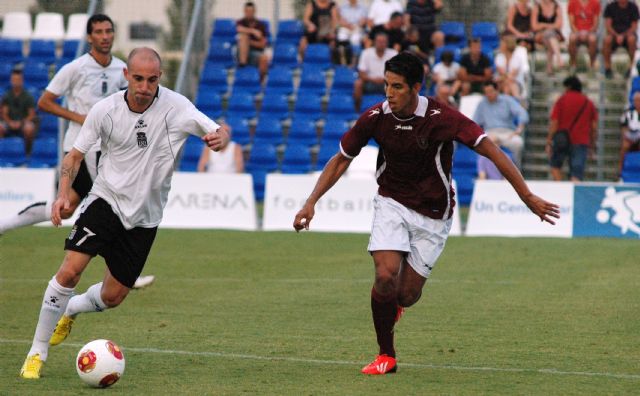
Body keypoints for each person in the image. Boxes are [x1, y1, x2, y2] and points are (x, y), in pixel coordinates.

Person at [292, 52, 559, 375]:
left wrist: (527, 196)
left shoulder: (442, 117)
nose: (389, 93)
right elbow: (341, 158)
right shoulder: (376, 116)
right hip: (391, 201)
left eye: (398, 87)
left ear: (416, 87)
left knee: (406, 294)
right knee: (385, 274)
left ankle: (397, 305)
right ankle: (386, 355)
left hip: (434, 212)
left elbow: (492, 150)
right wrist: (311, 202)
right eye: (387, 85)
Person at [19, 47, 230, 380]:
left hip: (145, 218)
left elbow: (218, 129)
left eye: (152, 80)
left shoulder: (176, 107)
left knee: (113, 296)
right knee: (70, 271)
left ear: (159, 78)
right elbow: (74, 157)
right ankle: (36, 352)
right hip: (106, 201)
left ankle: (71, 309)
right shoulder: (105, 110)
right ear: (126, 76)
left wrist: (221, 138)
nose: (145, 87)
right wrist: (62, 195)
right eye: (138, 79)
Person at [0, 14, 155, 290]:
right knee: (109, 205)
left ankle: (5, 224)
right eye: (98, 32)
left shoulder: (123, 69)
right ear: (89, 37)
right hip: (80, 148)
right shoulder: (76, 68)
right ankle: (124, 273)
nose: (105, 36)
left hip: (108, 150)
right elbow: (45, 102)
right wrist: (79, 117)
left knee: (66, 208)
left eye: (109, 31)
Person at [545, 75, 597, 181]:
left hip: (562, 139)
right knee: (576, 173)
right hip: (581, 141)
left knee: (555, 167)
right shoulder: (588, 102)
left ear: (568, 87)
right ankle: (573, 192)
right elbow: (594, 127)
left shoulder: (562, 100)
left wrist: (549, 141)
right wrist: (592, 145)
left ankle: (560, 191)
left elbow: (554, 122)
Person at [473, 81, 529, 168]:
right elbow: (475, 122)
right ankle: (484, 173)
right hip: (490, 133)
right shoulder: (482, 104)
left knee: (518, 143)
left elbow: (522, 113)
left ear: (497, 90)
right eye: (486, 92)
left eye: (491, 91)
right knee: (484, 143)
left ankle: (516, 170)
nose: (489, 94)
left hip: (507, 133)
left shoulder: (507, 100)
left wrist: (520, 128)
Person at [353, 32, 398, 111]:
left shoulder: (393, 54)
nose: (381, 44)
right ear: (374, 42)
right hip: (370, 83)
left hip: (387, 84)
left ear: (387, 43)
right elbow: (361, 74)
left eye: (383, 42)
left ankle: (396, 111)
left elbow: (397, 73)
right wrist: (374, 80)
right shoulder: (366, 53)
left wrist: (385, 80)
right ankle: (357, 111)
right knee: (358, 83)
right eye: (379, 41)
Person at [0, 69, 37, 155]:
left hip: (23, 122)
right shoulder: (7, 95)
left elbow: (31, 115)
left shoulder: (28, 96)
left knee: (29, 128)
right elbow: (4, 113)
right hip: (9, 122)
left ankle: (28, 153)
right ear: (11, 80)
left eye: (18, 80)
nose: (16, 82)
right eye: (14, 80)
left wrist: (21, 123)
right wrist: (10, 122)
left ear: (22, 80)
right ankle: (2, 153)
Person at [602, 0, 639, 79]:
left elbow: (634, 27)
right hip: (614, 35)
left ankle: (630, 67)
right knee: (607, 40)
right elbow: (608, 25)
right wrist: (616, 35)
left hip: (628, 35)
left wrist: (623, 36)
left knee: (632, 39)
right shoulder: (610, 7)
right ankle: (608, 68)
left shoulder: (633, 7)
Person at [235, 2, 270, 80]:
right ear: (244, 11)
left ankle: (260, 84)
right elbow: (238, 29)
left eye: (251, 11)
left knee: (265, 58)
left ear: (254, 11)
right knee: (244, 37)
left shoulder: (261, 25)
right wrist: (253, 31)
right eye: (247, 11)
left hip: (255, 53)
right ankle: (242, 66)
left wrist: (249, 43)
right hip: (241, 53)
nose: (249, 13)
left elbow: (263, 44)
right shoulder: (240, 22)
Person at [531, 0, 564, 75]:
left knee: (549, 36)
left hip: (553, 35)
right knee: (549, 35)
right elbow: (534, 26)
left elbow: (559, 25)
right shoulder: (537, 7)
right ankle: (558, 58)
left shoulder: (557, 7)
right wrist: (549, 26)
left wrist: (543, 25)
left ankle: (549, 68)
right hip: (540, 35)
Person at [567, 0, 600, 73]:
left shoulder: (595, 3)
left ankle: (591, 64)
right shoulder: (572, 2)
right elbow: (571, 23)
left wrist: (587, 33)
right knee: (572, 38)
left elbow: (596, 23)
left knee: (593, 39)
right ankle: (573, 64)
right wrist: (579, 33)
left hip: (590, 32)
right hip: (576, 31)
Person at [494, 33, 529, 99]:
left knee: (509, 86)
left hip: (516, 83)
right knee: (507, 85)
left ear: (507, 45)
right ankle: (516, 105)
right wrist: (504, 77)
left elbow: (511, 76)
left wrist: (503, 77)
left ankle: (513, 106)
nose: (499, 46)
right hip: (501, 83)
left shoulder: (517, 58)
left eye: (502, 44)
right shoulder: (499, 57)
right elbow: (503, 73)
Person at [335, 0, 368, 65]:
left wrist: (356, 26)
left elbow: (363, 20)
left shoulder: (363, 7)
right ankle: (343, 59)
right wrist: (348, 25)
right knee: (341, 36)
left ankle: (354, 62)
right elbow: (340, 19)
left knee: (355, 39)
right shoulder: (343, 7)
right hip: (346, 27)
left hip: (357, 27)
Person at [617, 92, 640, 178]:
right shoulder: (628, 113)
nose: (638, 103)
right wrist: (627, 136)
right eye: (636, 101)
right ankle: (620, 171)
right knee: (624, 146)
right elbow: (623, 127)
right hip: (630, 137)